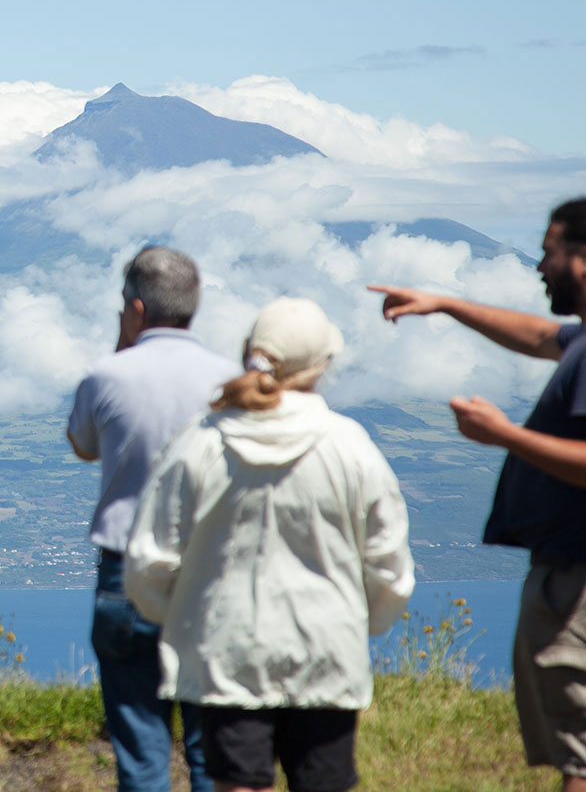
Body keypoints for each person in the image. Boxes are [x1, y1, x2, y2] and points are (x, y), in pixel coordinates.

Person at [370, 195, 586, 792]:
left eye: (548, 253)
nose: (538, 267)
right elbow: (538, 336)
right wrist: (448, 304)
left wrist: (504, 435)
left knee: (585, 757)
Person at [125, 297, 413, 792]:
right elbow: (388, 564)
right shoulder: (350, 447)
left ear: (246, 352)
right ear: (323, 366)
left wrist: (184, 621)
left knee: (238, 783)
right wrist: (360, 622)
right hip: (326, 648)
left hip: (228, 647)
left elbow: (149, 560)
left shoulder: (200, 443)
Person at [67, 246, 236, 792]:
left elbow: (83, 445)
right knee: (212, 752)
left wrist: (122, 346)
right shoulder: (231, 380)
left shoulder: (107, 375)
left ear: (134, 308)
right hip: (212, 571)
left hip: (127, 573)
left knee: (141, 755)